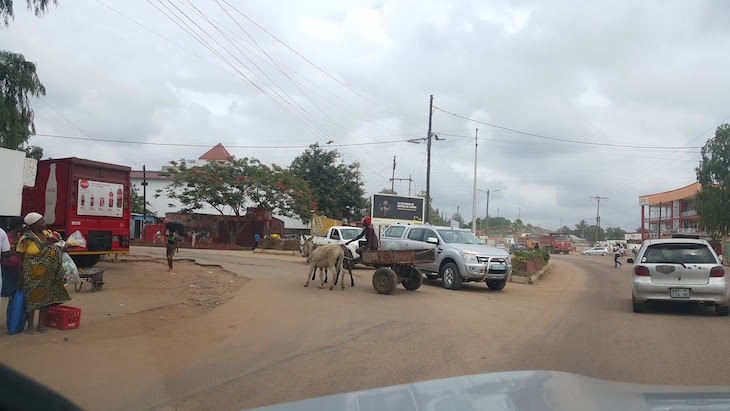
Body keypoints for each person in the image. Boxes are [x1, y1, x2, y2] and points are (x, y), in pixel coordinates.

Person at [16, 212, 71, 333]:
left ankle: (41, 324)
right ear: (34, 225)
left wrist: (64, 246)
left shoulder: (48, 234)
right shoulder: (26, 239)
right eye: (41, 222)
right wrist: (20, 278)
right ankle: (30, 325)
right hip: (32, 275)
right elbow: (19, 259)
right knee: (30, 299)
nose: (44, 224)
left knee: (46, 299)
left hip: (48, 274)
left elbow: (57, 246)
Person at [1, 217, 24, 299]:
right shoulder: (4, 236)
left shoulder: (20, 237)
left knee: (14, 295)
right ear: (17, 226)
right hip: (6, 269)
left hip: (17, 270)